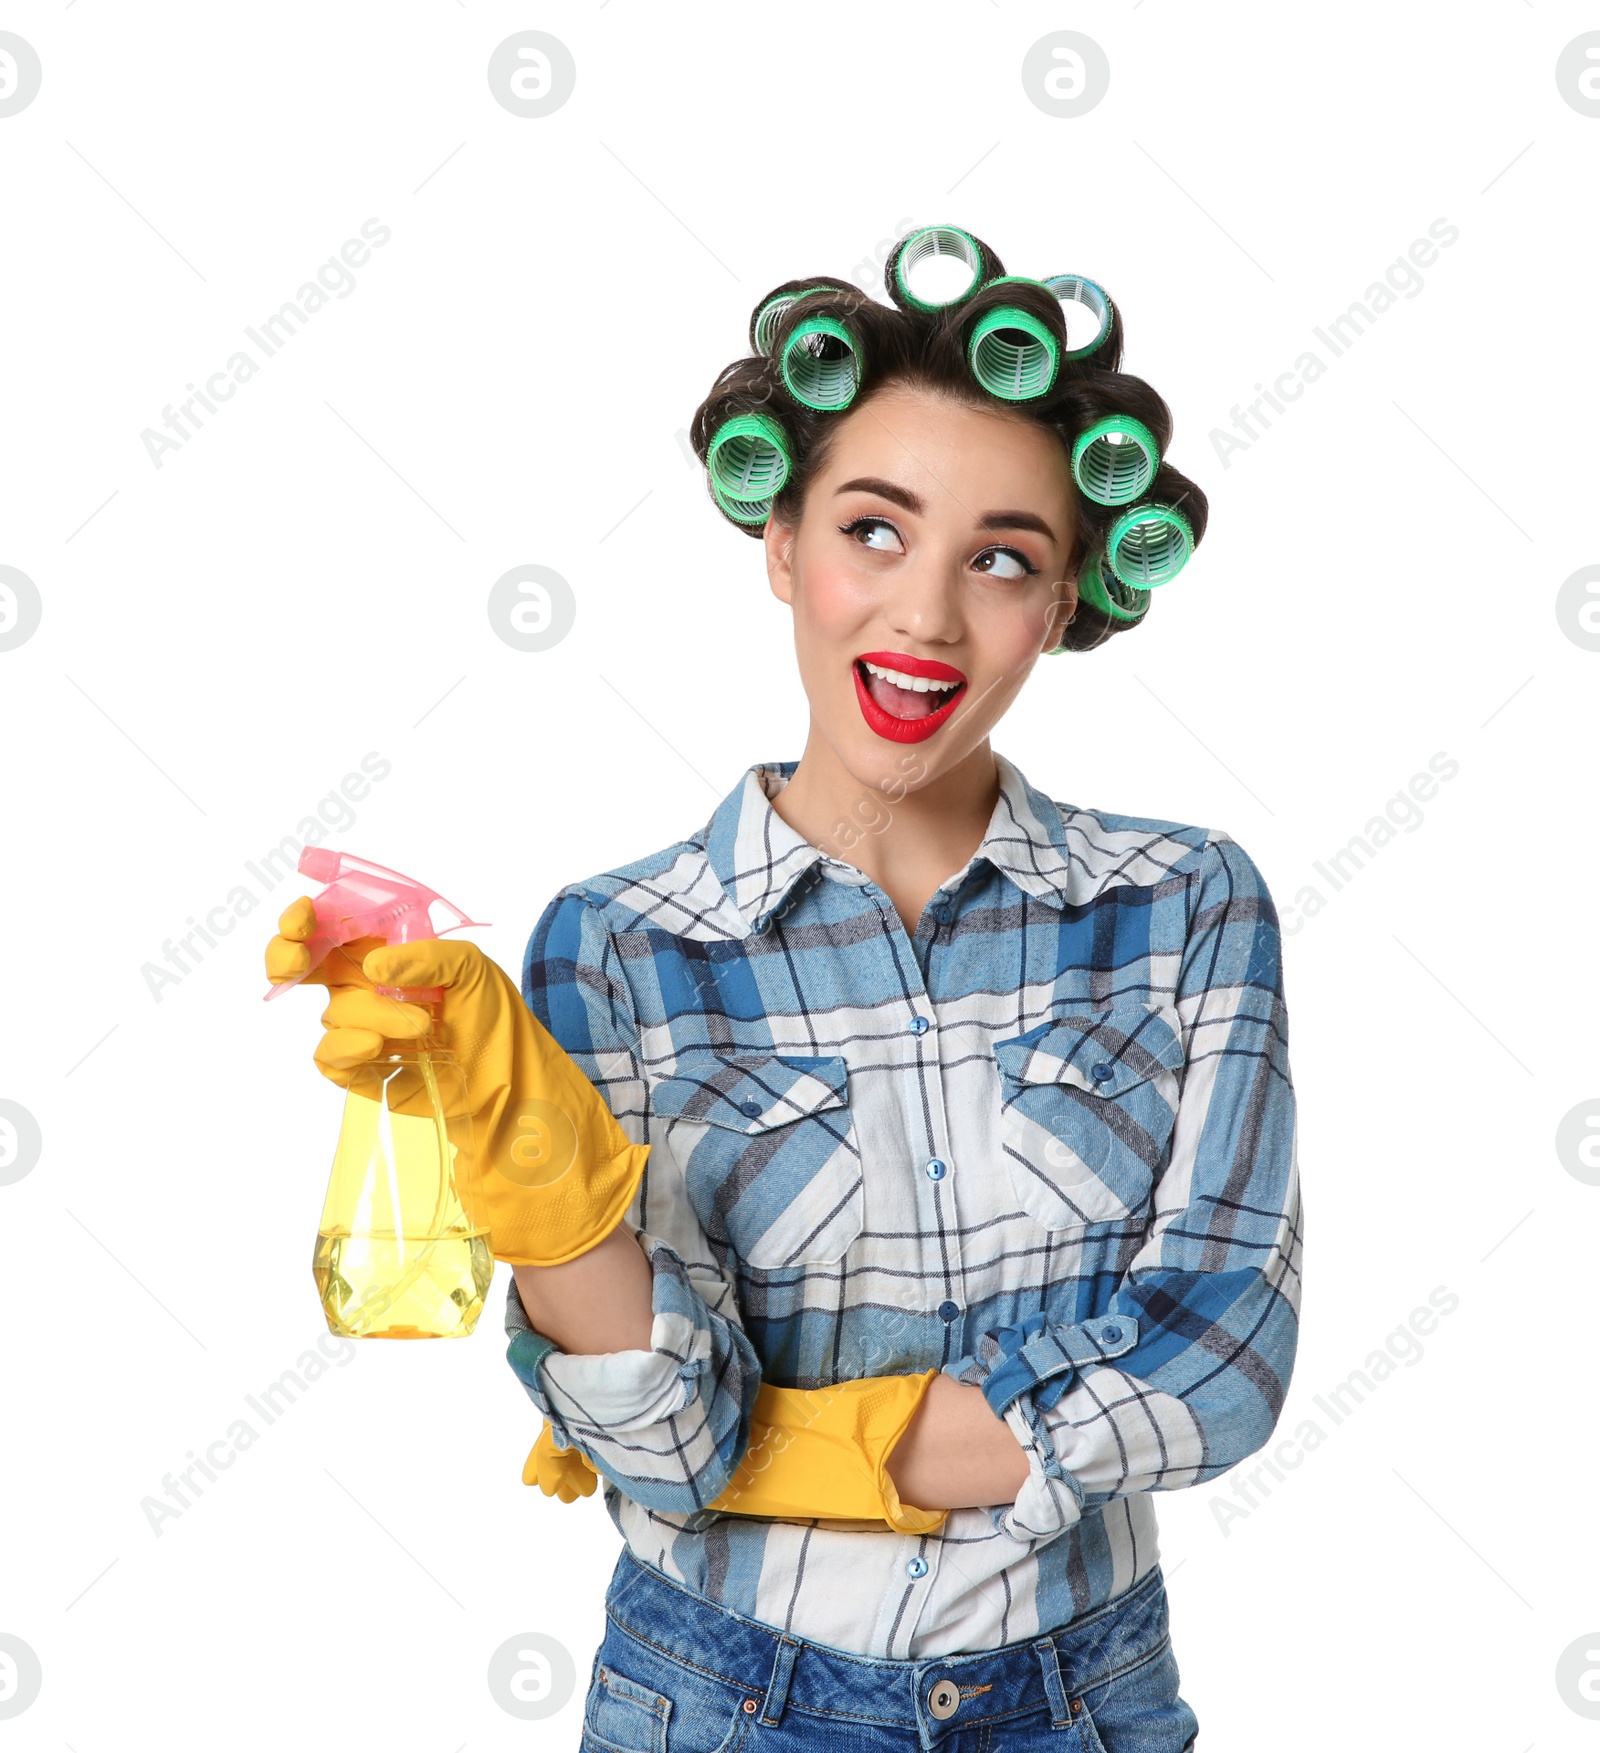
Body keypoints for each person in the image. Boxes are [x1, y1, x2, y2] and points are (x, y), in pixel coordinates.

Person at [268, 226, 1302, 1750]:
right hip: (727, 1703)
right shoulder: (618, 946)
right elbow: (671, 1450)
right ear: (782, 543)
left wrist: (837, 1438)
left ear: (1068, 595)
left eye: (1001, 558)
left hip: (1086, 1703)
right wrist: (535, 1170)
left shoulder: (1182, 907)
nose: (927, 616)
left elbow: (1224, 1358)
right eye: (874, 531)